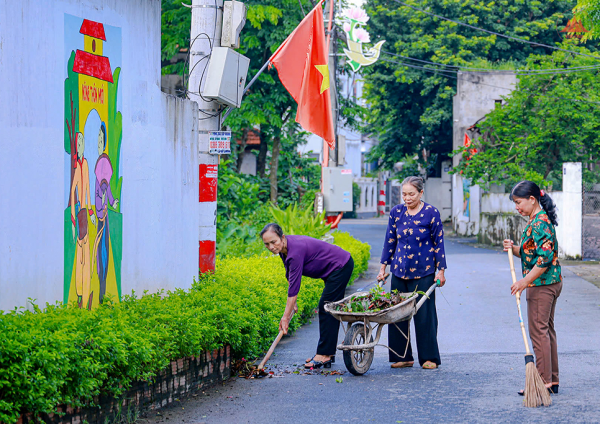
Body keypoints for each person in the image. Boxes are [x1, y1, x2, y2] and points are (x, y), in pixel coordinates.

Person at [260, 223, 354, 369]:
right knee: (329, 308)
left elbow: (294, 287)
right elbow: (290, 274)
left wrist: (285, 318)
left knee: (326, 307)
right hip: (331, 270)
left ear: (282, 237)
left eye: (274, 242)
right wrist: (293, 305)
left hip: (340, 266)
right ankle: (327, 353)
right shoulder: (284, 249)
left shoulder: (294, 251)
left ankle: (324, 354)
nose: (271, 247)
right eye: (267, 244)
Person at [377, 176, 446, 370]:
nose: (407, 198)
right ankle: (402, 356)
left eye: (411, 194)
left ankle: (429, 357)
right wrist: (383, 268)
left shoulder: (431, 213)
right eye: (404, 194)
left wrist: (440, 271)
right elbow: (389, 241)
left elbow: (438, 243)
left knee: (425, 315)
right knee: (397, 314)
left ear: (421, 193)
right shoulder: (396, 213)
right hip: (399, 270)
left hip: (424, 271)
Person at [502, 181, 562, 395]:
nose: (517, 207)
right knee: (546, 331)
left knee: (539, 332)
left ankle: (543, 381)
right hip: (549, 282)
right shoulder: (537, 220)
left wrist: (524, 281)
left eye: (519, 202)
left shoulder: (539, 223)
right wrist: (515, 249)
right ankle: (551, 380)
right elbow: (534, 253)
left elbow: (544, 259)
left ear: (532, 199)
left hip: (541, 285)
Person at [93, 123, 119, 304]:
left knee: (101, 253)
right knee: (100, 253)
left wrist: (107, 201)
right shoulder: (99, 161)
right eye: (98, 140)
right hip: (100, 213)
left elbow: (104, 185)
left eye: (101, 140)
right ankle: (101, 293)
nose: (99, 143)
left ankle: (102, 293)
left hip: (102, 216)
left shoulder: (103, 161)